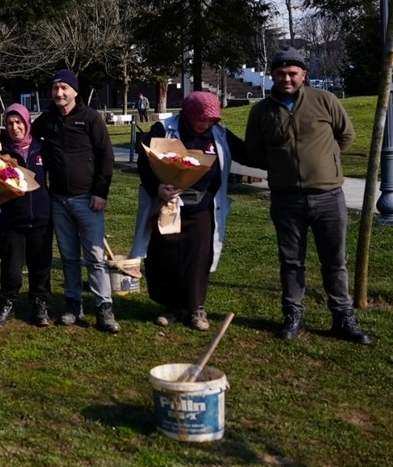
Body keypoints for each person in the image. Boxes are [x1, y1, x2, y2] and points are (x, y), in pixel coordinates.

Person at [244, 47, 370, 344]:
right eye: (280, 73)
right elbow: (254, 151)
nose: (286, 78)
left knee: (335, 261)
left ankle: (343, 317)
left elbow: (346, 135)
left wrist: (327, 160)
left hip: (328, 196)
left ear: (304, 75)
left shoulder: (324, 100)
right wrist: (280, 167)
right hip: (287, 200)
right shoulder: (262, 111)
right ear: (272, 75)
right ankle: (293, 315)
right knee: (291, 261)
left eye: (292, 73)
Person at [131, 92, 249, 331]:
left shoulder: (219, 133)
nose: (207, 124)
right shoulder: (163, 129)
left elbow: (246, 153)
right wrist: (158, 188)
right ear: (188, 114)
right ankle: (171, 307)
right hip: (169, 204)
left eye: (211, 120)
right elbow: (145, 162)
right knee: (166, 256)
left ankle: (196, 308)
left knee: (198, 257)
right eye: (202, 119)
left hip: (202, 207)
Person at [28, 68, 119, 333]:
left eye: (64, 88)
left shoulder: (90, 119)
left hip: (88, 199)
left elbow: (106, 157)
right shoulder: (46, 121)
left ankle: (104, 308)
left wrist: (100, 192)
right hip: (58, 199)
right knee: (68, 256)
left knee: (94, 256)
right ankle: (72, 304)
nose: (59, 93)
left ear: (75, 91)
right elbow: (22, 137)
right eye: (55, 88)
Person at [0, 103, 52, 328]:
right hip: (11, 220)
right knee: (11, 265)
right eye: (9, 123)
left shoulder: (42, 148)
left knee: (40, 265)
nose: (14, 127)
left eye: (19, 122)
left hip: (41, 218)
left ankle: (40, 304)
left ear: (27, 123)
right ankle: (7, 302)